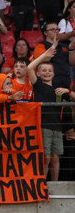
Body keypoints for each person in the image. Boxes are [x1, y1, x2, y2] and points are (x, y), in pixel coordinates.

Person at [29, 44, 75, 181]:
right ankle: (43, 183)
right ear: (38, 74)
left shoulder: (58, 90)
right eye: (43, 70)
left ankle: (55, 185)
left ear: (54, 74)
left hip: (57, 128)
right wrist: (44, 56)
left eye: (49, 70)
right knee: (46, 157)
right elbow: (29, 68)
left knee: (55, 158)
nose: (47, 72)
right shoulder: (38, 85)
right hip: (43, 127)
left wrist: (68, 91)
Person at [33, 22, 75, 88]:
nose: (56, 32)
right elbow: (44, 61)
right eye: (52, 30)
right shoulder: (40, 45)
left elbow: (72, 62)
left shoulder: (64, 46)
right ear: (45, 33)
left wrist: (71, 48)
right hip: (49, 81)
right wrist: (54, 46)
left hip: (65, 80)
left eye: (57, 29)